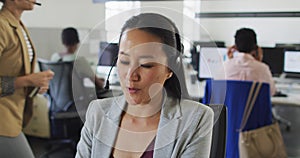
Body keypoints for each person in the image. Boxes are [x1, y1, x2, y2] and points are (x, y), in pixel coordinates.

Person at [76, 13, 214, 158]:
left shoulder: (195, 119)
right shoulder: (98, 112)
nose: (131, 75)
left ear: (170, 68)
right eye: (124, 61)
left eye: (146, 65)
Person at [0, 1, 54, 157]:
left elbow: (16, 72)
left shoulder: (18, 25)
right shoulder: (2, 25)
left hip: (15, 116)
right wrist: (29, 80)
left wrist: (37, 84)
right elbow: (23, 79)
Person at [225, 28, 276, 95]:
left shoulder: (224, 67)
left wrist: (230, 60)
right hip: (254, 106)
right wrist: (259, 62)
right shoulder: (262, 68)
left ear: (235, 47)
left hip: (229, 105)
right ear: (255, 47)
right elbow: (272, 92)